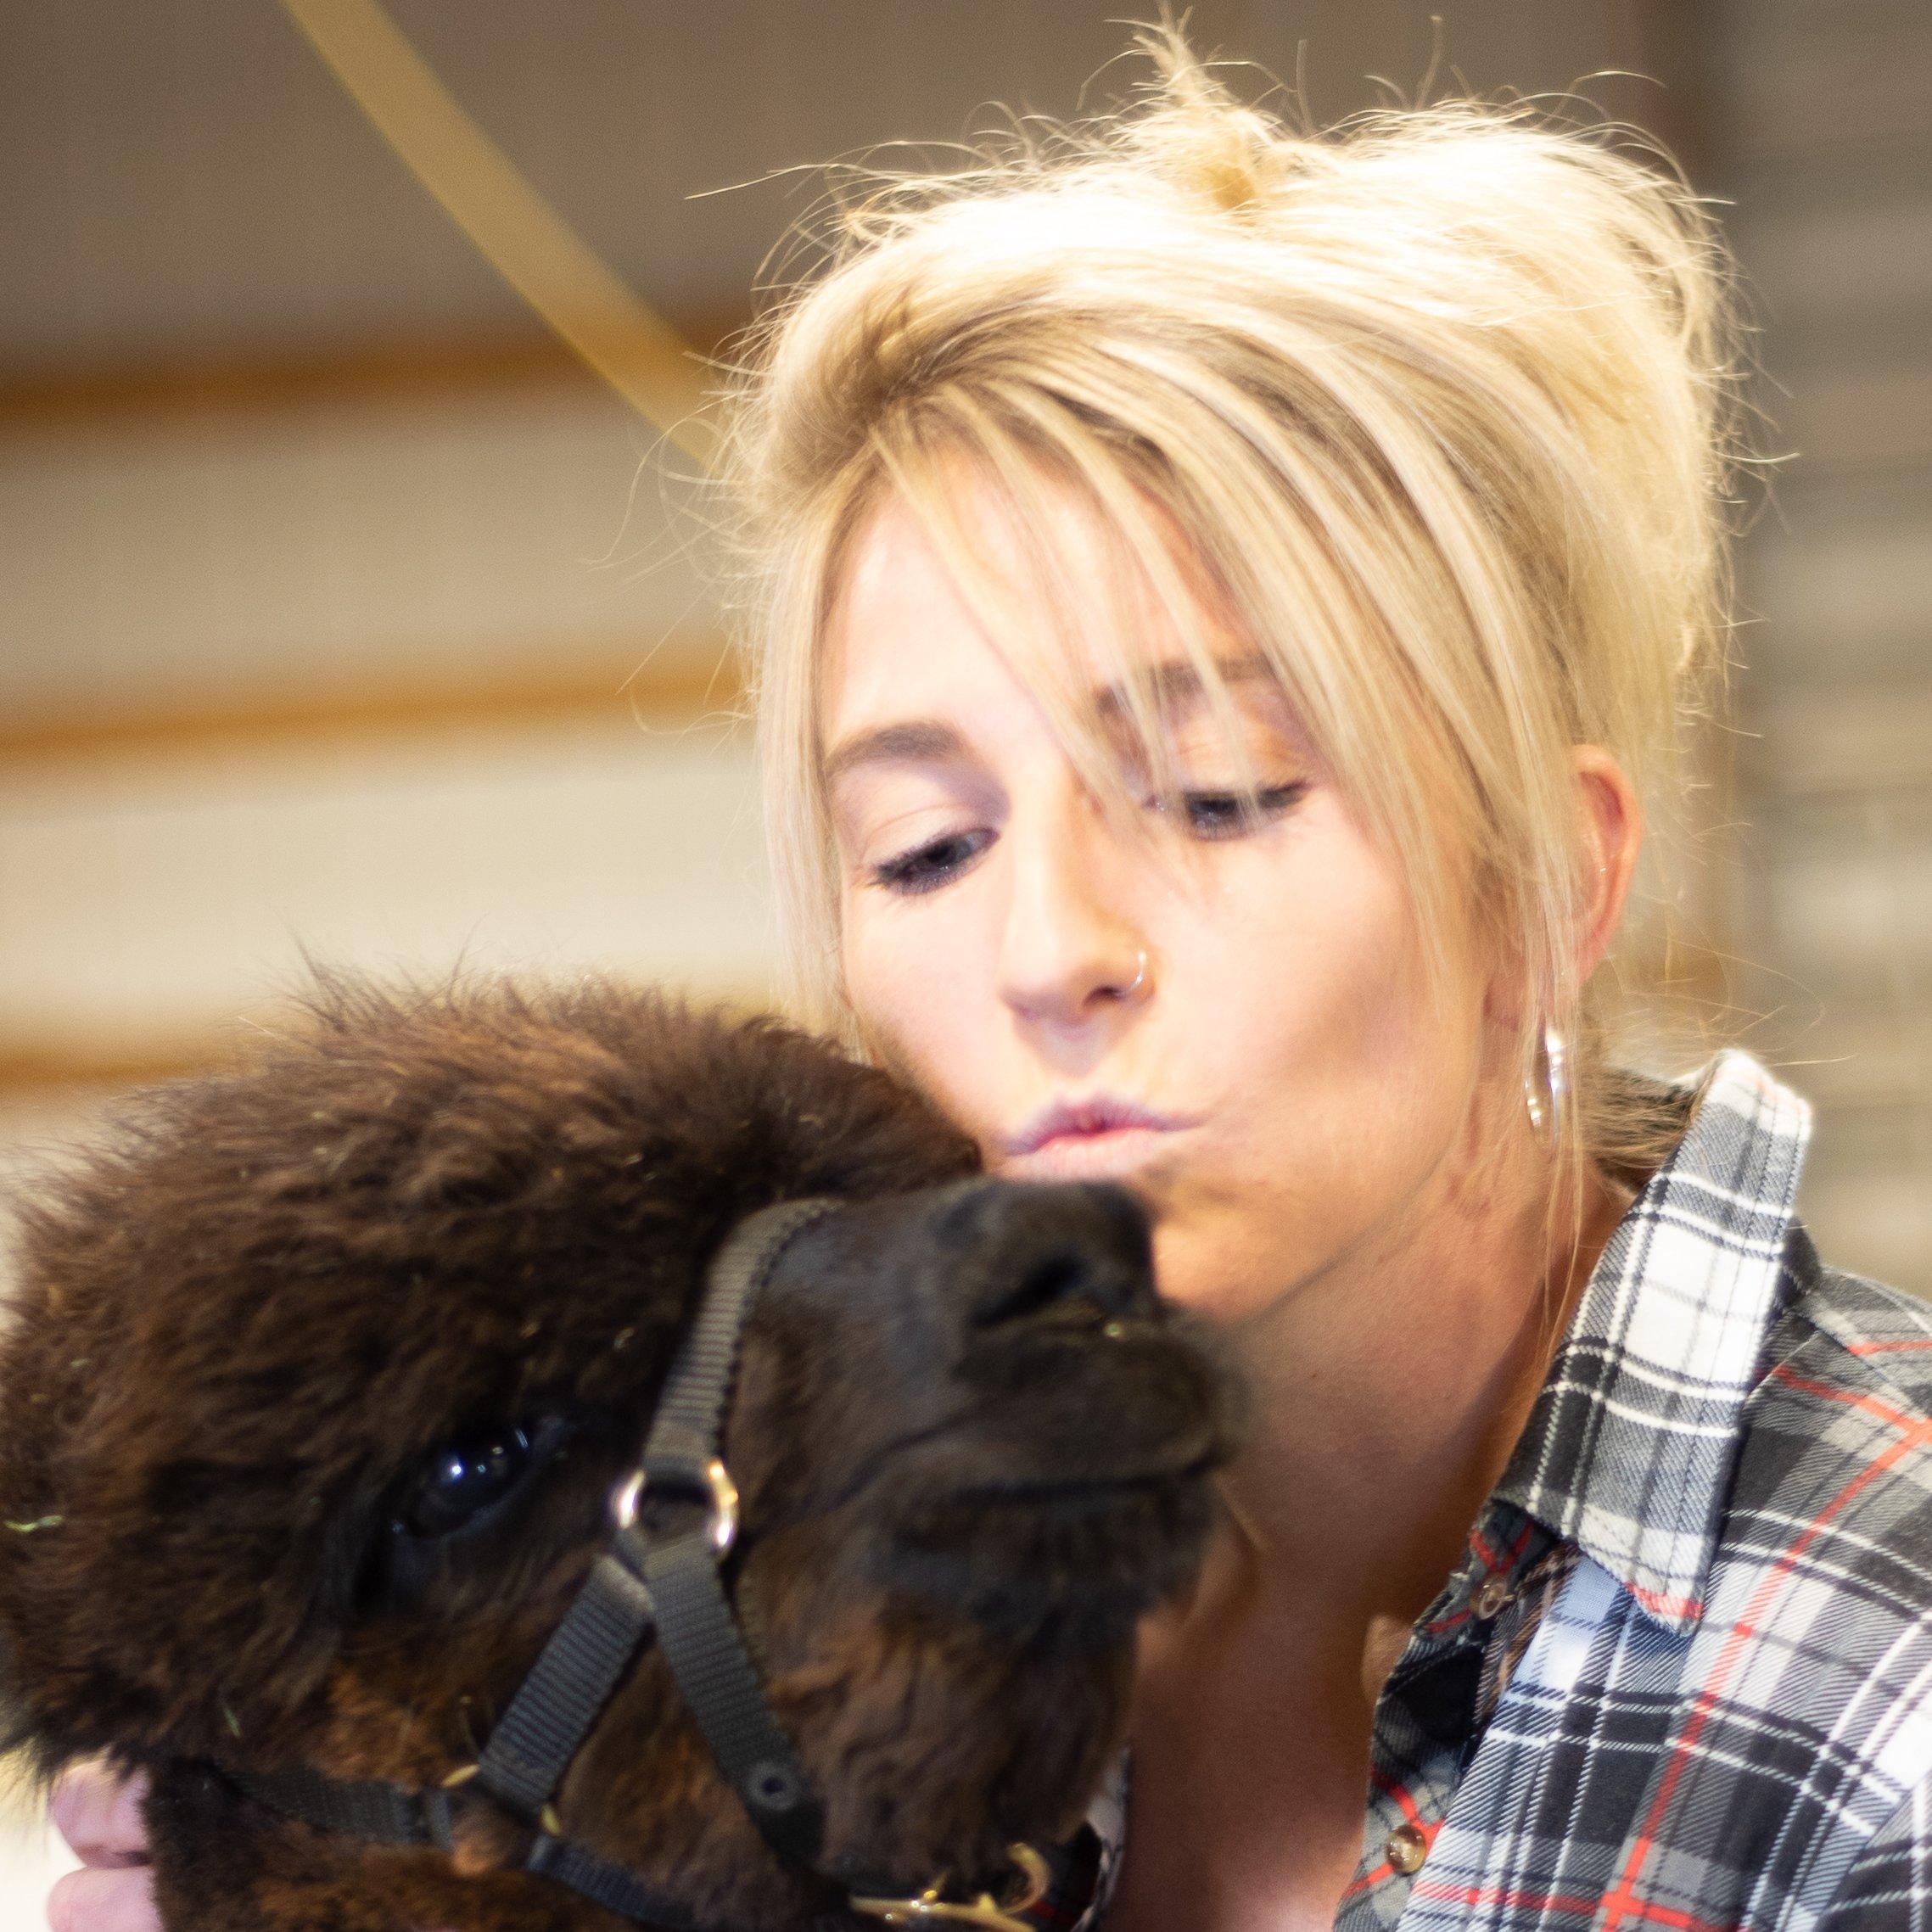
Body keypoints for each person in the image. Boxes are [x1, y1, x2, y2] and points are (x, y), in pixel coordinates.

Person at [44, 20, 1932, 1932]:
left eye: (1216, 795)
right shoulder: (845, 1588)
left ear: (1547, 875)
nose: (1047, 954)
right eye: (925, 849)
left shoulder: (1886, 1681)